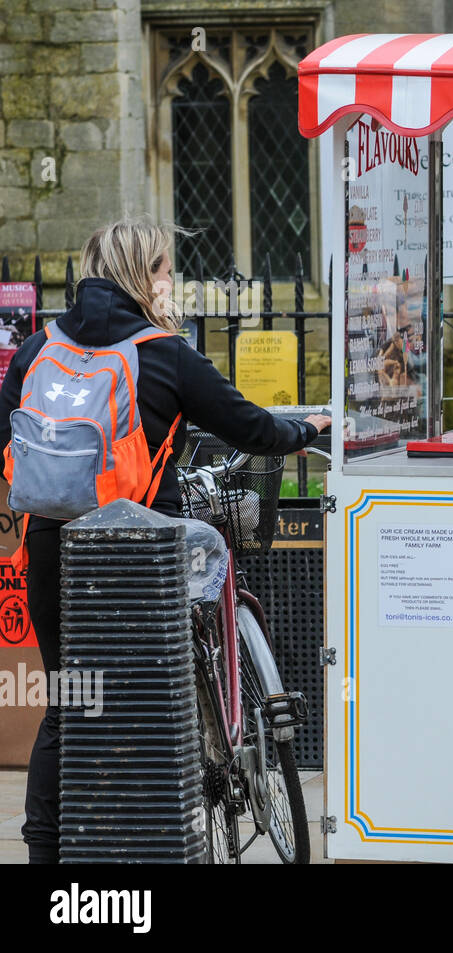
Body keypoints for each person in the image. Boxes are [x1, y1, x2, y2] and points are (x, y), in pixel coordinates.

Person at [0, 218, 331, 864]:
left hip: (51, 550)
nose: (169, 282)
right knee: (153, 708)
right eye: (163, 270)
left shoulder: (38, 347)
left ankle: (47, 860)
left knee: (68, 704)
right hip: (136, 557)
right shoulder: (163, 352)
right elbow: (247, 425)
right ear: (141, 276)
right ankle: (148, 846)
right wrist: (305, 428)